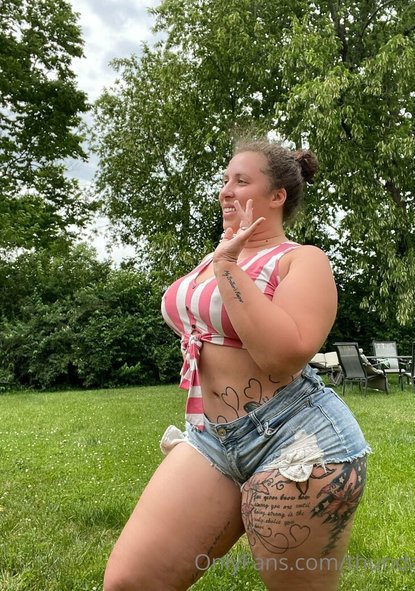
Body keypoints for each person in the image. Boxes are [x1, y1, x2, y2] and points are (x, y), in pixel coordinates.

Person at [103, 140, 371, 591]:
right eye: (225, 180)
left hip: (297, 438)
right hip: (212, 437)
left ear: (277, 195)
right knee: (129, 582)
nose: (226, 190)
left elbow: (282, 357)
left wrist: (228, 265)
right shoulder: (216, 257)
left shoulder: (300, 260)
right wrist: (224, 260)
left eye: (241, 181)